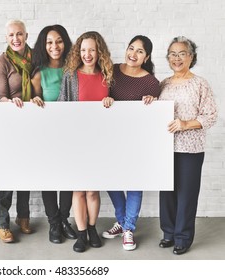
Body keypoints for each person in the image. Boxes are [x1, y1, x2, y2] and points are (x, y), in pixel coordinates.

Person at [158, 36, 217, 255]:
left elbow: (211, 115)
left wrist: (185, 124)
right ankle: (168, 233)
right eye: (172, 54)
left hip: (191, 147)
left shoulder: (200, 83)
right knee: (167, 191)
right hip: (164, 147)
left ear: (191, 57)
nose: (177, 58)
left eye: (182, 53)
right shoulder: (163, 84)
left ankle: (183, 237)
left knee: (187, 193)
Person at [100, 35, 160, 251]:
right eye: (131, 48)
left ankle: (128, 229)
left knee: (135, 183)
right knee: (110, 180)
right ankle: (122, 220)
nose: (133, 54)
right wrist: (106, 98)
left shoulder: (151, 82)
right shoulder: (112, 71)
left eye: (140, 51)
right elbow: (99, 95)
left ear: (147, 57)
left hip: (137, 142)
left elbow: (154, 115)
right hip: (110, 139)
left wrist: (153, 101)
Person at [58, 31, 114, 252]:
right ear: (78, 52)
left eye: (91, 49)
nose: (87, 54)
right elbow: (62, 104)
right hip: (76, 141)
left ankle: (92, 228)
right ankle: (81, 234)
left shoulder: (107, 75)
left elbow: (118, 107)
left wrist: (111, 100)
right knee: (79, 190)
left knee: (92, 190)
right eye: (83, 50)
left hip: (100, 141)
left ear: (99, 51)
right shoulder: (71, 75)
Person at [31, 24, 77, 244]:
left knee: (68, 178)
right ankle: (53, 223)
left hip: (71, 133)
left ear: (65, 43)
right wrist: (34, 100)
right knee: (48, 178)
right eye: (49, 42)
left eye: (58, 41)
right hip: (47, 135)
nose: (54, 46)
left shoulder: (74, 70)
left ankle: (65, 219)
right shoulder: (39, 74)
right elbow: (35, 104)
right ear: (43, 45)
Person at [0, 19, 36, 243]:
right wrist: (9, 102)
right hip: (10, 124)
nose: (16, 39)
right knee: (8, 173)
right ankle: (2, 222)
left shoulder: (36, 58)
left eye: (19, 34)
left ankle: (23, 217)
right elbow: (1, 95)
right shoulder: (2, 62)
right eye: (11, 35)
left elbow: (40, 85)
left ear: (26, 36)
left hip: (32, 124)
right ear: (6, 38)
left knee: (26, 171)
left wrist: (36, 96)